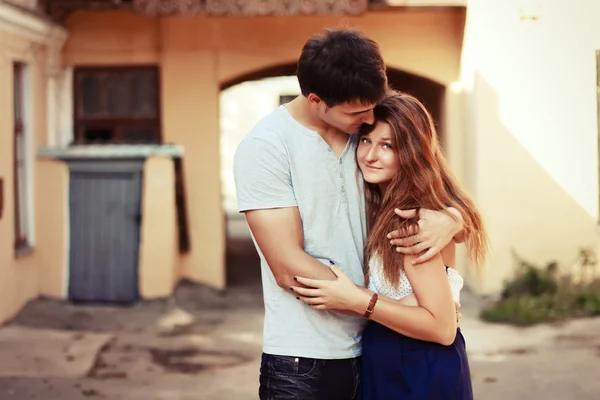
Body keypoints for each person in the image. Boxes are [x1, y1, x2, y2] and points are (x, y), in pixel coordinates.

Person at [233, 29, 465, 400]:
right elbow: (287, 267)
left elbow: (430, 184)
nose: (370, 118)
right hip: (304, 361)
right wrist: (383, 303)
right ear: (316, 100)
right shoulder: (266, 147)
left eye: (374, 106)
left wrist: (452, 219)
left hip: (376, 350)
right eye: (359, 112)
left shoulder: (364, 132)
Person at [292, 92, 488, 400]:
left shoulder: (411, 221)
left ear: (410, 152)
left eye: (388, 145)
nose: (370, 155)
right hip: (390, 361)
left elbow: (441, 328)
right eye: (367, 140)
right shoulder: (383, 206)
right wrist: (399, 305)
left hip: (417, 367)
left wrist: (358, 300)